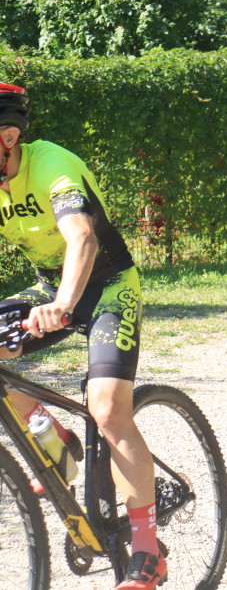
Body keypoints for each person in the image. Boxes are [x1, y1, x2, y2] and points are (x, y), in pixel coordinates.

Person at [0, 82, 167, 589]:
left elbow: (83, 236)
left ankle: (147, 551)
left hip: (107, 285)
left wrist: (64, 305)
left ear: (8, 136)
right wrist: (55, 299)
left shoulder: (51, 166)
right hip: (52, 288)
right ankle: (56, 440)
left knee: (108, 408)